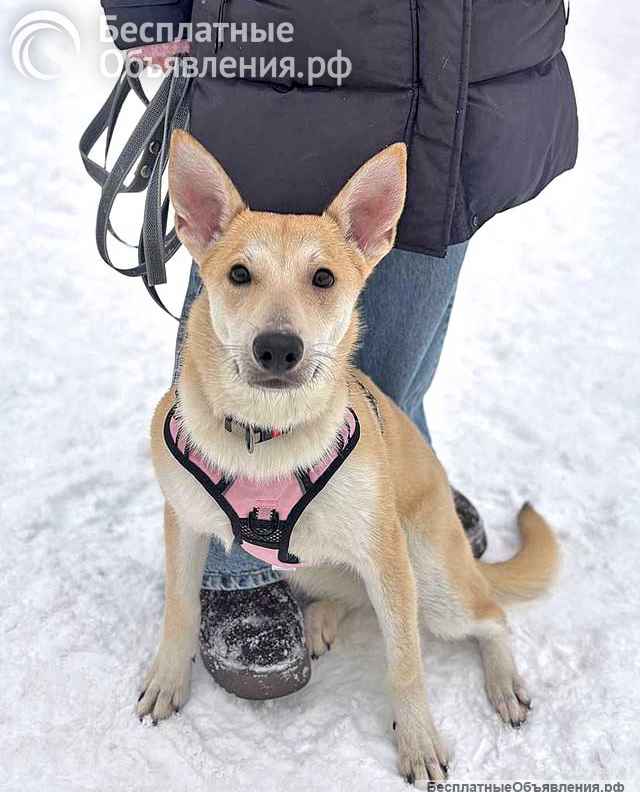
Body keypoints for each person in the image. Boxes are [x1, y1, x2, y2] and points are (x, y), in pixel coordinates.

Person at [97, 0, 578, 700]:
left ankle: (410, 499)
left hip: (469, 60)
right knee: (238, 366)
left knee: (395, 361)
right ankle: (237, 568)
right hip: (284, 51)